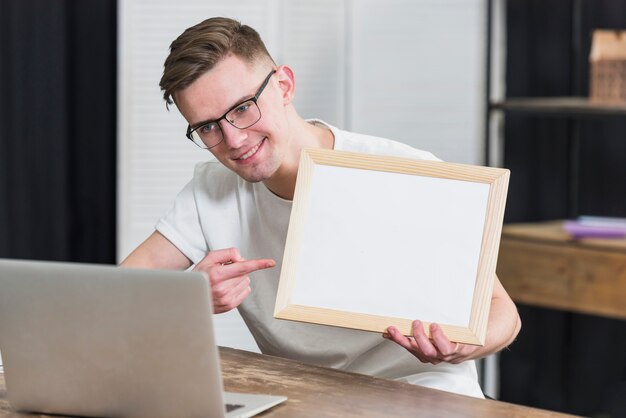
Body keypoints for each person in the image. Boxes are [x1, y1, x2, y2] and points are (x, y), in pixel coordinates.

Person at [121, 16, 521, 398]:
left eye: (243, 108)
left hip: (423, 393)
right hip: (303, 399)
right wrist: (186, 296)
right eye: (208, 127)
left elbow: (502, 312)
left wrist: (461, 347)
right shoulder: (211, 189)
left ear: (284, 85)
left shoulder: (405, 171)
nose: (234, 139)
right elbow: (118, 294)